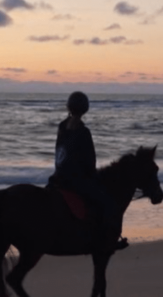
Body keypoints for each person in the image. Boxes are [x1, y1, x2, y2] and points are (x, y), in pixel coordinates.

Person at [49, 91, 128, 252]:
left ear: (69, 107)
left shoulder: (62, 126)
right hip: (75, 180)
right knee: (105, 202)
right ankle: (107, 241)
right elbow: (90, 161)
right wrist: (93, 176)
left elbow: (60, 152)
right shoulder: (83, 132)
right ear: (85, 109)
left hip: (58, 176)